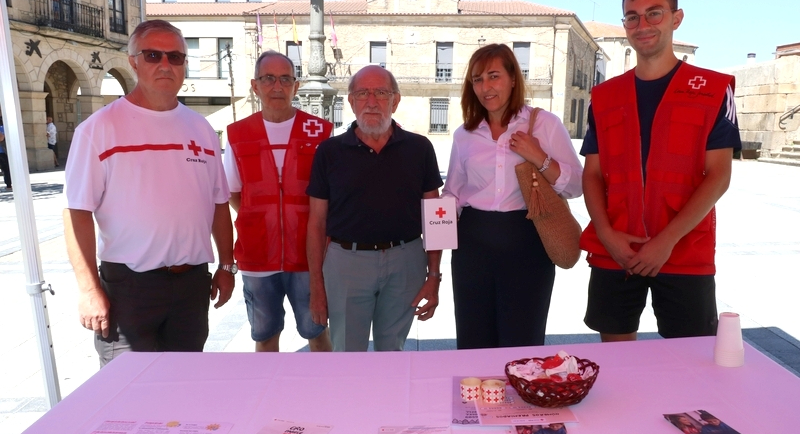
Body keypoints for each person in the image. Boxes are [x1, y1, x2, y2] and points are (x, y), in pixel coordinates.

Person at [579, 0, 741, 342]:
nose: (643, 24)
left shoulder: (713, 90)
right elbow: (592, 174)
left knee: (690, 365)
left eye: (654, 13)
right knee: (617, 364)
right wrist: (605, 234)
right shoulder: (603, 97)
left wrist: (666, 241)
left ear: (676, 17)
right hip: (617, 248)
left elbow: (719, 176)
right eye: (632, 16)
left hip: (685, 249)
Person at [63, 20, 235, 366]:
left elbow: (218, 203)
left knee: (184, 386)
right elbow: (75, 211)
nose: (165, 65)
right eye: (153, 54)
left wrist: (226, 266)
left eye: (176, 57)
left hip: (191, 286)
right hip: (130, 288)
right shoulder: (98, 129)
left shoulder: (201, 129)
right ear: (133, 61)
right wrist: (88, 289)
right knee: (126, 395)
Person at [442, 44, 583, 349]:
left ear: (513, 79)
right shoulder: (464, 134)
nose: (485, 87)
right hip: (471, 247)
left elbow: (576, 186)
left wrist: (540, 157)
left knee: (522, 340)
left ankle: (520, 398)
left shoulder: (544, 124)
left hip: (526, 243)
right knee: (473, 338)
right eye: (477, 79)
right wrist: (432, 231)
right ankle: (478, 397)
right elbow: (453, 193)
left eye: (494, 76)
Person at [306, 65, 443, 352]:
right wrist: (317, 287)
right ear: (351, 100)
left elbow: (435, 216)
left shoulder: (420, 148)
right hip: (346, 264)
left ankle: (388, 398)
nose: (371, 101)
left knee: (392, 351)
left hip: (406, 263)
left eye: (381, 93)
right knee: (347, 352)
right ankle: (350, 400)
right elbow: (316, 223)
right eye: (362, 93)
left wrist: (434, 276)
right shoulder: (329, 153)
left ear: (396, 100)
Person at [224, 50, 333, 352]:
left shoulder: (321, 132)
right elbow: (233, 193)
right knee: (265, 337)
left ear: (295, 86)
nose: (277, 86)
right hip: (258, 256)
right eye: (268, 78)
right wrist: (260, 219)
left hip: (308, 257)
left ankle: (327, 395)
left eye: (285, 79)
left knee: (317, 332)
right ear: (255, 85)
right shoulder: (238, 134)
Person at [0, 117, 10, 191]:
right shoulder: (4, 128)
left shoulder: (3, 128)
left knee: (6, 168)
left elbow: (1, 138)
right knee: (6, 168)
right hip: (2, 152)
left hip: (2, 151)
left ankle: (9, 185)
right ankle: (9, 185)